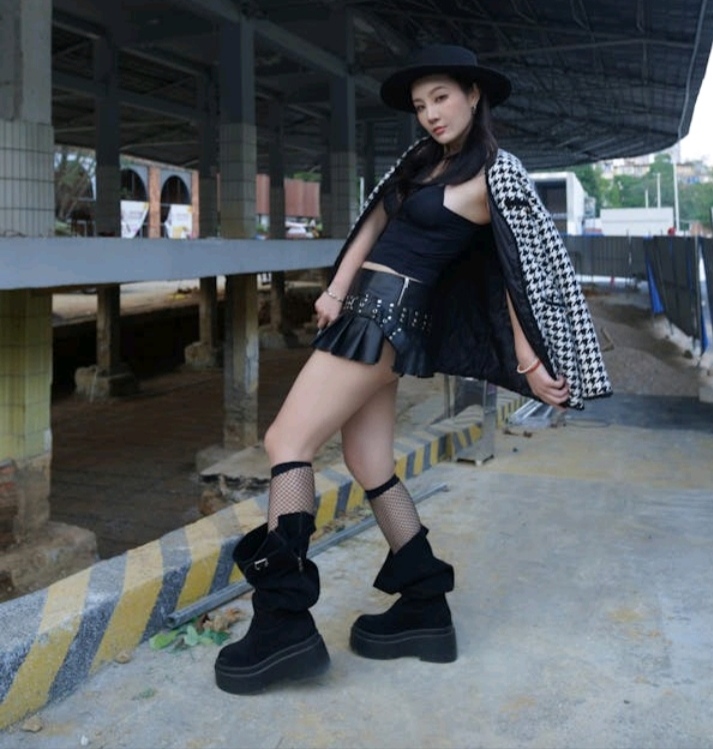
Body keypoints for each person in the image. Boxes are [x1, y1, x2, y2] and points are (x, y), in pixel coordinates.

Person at [214, 43, 612, 695]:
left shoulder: (497, 173)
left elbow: (516, 266)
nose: (430, 113)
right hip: (365, 312)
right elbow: (373, 222)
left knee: (286, 441)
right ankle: (425, 603)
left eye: (441, 98)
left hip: (385, 318)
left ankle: (282, 622)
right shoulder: (423, 161)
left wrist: (529, 358)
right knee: (368, 461)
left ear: (473, 95)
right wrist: (334, 290)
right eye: (421, 104)